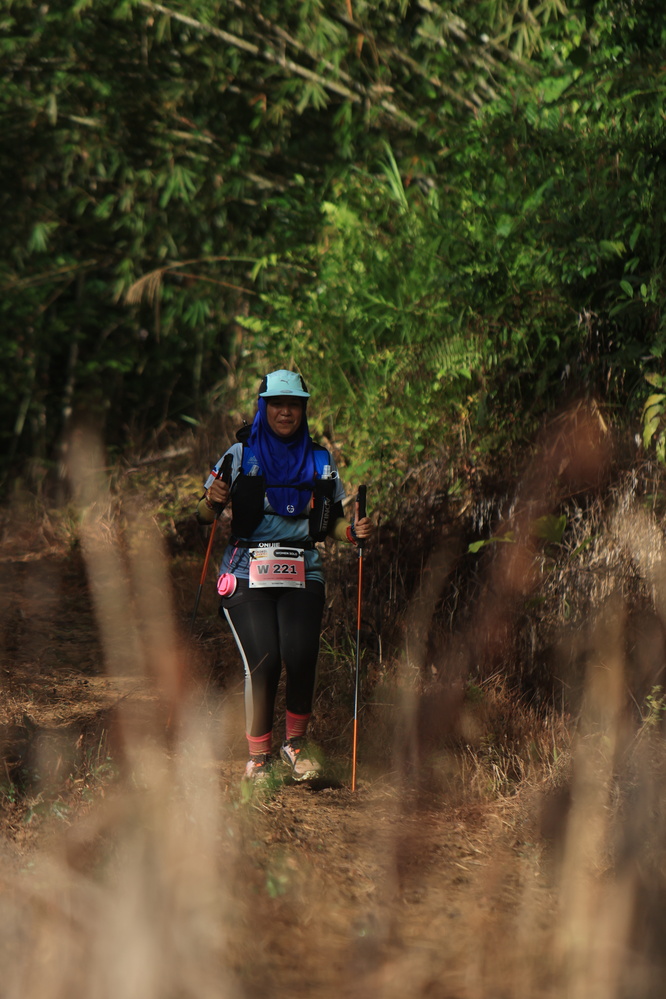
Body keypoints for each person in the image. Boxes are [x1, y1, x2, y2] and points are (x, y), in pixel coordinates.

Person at [196, 369, 374, 784]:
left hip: (302, 568)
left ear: (303, 409)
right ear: (264, 407)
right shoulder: (238, 455)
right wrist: (212, 500)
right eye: (277, 403)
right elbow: (203, 515)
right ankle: (259, 758)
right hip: (246, 570)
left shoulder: (320, 459)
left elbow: (332, 521)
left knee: (300, 653)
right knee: (264, 660)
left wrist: (351, 533)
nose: (285, 412)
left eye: (294, 404)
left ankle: (295, 745)